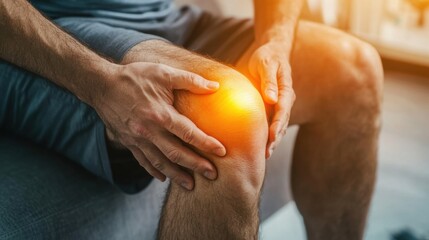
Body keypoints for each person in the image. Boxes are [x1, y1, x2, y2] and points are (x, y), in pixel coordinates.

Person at [0, 0, 383, 239]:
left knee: (354, 68)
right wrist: (99, 82)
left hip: (167, 20)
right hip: (49, 30)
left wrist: (276, 42)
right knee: (225, 112)